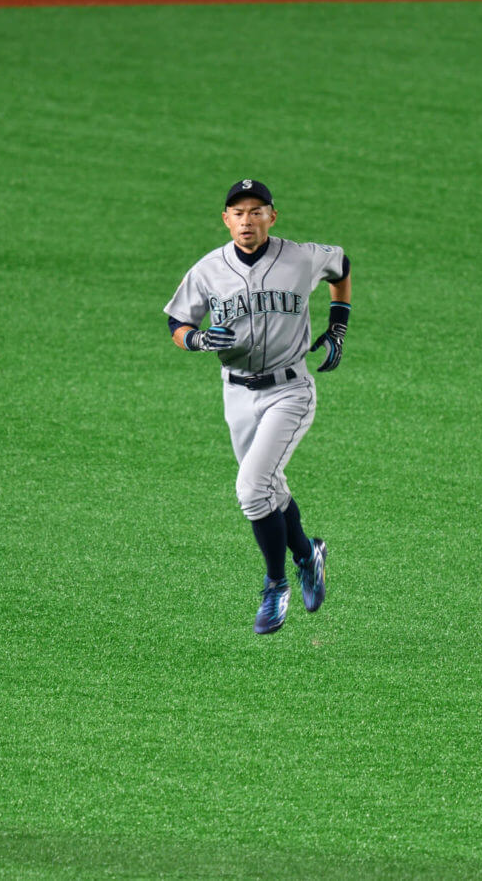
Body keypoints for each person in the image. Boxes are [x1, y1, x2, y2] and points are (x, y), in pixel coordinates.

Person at [164, 179, 352, 634]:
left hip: (290, 391)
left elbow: (340, 264)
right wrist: (199, 339)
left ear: (272, 215)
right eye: (238, 212)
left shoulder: (301, 257)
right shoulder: (209, 269)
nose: (247, 220)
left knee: (251, 489)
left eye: (256, 211)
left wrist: (339, 325)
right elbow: (177, 321)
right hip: (237, 393)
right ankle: (308, 554)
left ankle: (275, 585)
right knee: (271, 489)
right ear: (226, 220)